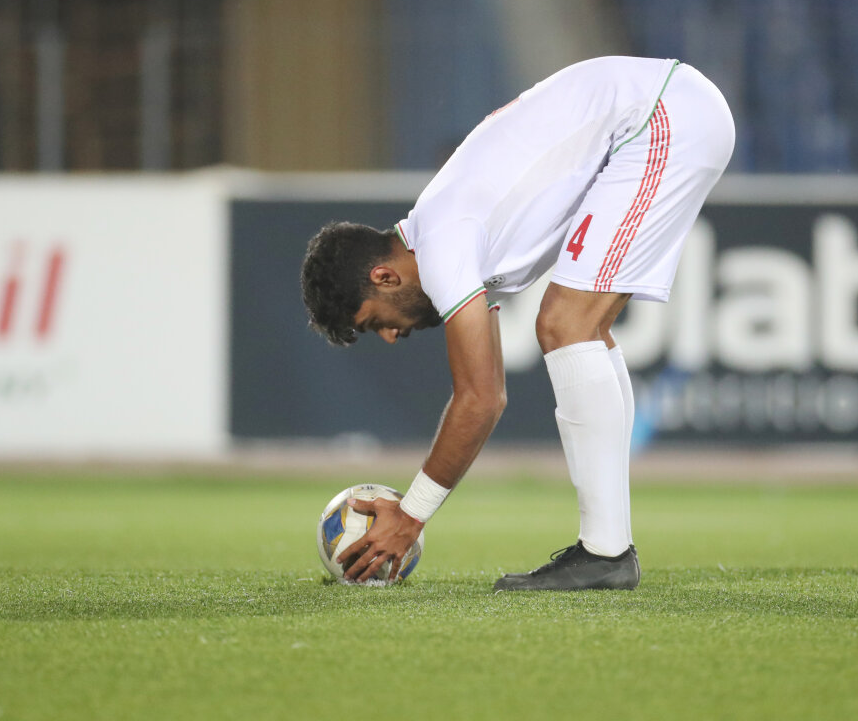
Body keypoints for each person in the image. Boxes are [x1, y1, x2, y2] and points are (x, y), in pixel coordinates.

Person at [300, 56, 735, 590]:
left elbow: (482, 398)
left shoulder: (444, 243)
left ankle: (606, 553)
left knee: (564, 323)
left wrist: (410, 516)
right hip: (667, 111)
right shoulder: (447, 235)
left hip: (660, 115)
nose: (392, 336)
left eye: (375, 322)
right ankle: (608, 547)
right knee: (583, 329)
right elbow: (485, 390)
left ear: (384, 277)